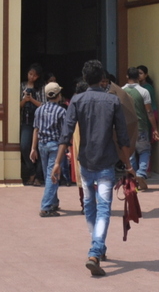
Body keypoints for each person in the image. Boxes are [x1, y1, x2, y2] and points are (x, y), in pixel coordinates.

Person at [52, 60, 133, 277]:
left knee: (90, 205)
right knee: (104, 207)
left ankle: (97, 246)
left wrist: (58, 162)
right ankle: (96, 250)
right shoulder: (112, 101)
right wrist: (128, 164)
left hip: (85, 162)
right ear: (103, 79)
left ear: (85, 78)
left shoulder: (77, 100)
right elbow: (122, 138)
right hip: (106, 162)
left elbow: (66, 133)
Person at [29, 81, 67, 217]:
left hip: (42, 146)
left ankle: (53, 202)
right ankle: (45, 207)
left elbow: (36, 130)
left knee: (48, 175)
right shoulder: (61, 111)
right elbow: (64, 133)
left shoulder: (40, 110)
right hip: (55, 146)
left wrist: (33, 148)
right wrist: (66, 149)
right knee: (53, 175)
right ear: (58, 95)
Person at [123, 66, 158, 191]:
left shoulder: (121, 91)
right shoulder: (144, 91)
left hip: (126, 127)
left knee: (130, 153)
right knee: (144, 151)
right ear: (138, 77)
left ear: (127, 76)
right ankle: (141, 173)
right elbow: (149, 112)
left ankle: (133, 178)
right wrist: (155, 128)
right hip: (141, 126)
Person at [20, 63, 45, 185]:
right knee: (24, 146)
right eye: (30, 74)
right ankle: (31, 171)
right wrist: (25, 100)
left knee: (40, 149)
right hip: (26, 120)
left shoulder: (41, 88)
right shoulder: (22, 86)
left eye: (35, 75)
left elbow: (44, 105)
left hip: (40, 121)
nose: (32, 77)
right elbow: (17, 105)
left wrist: (32, 100)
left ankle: (38, 177)